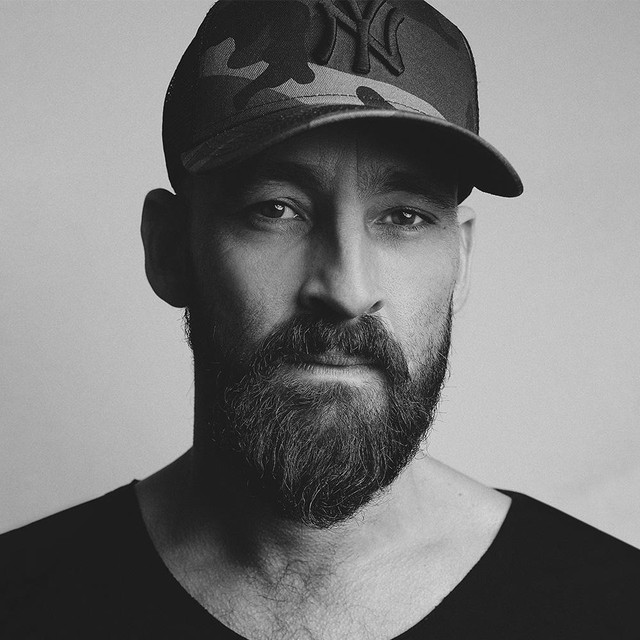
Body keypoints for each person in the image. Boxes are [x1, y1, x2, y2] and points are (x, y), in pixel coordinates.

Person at [1, 0, 638, 638]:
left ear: (461, 260)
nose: (346, 290)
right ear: (170, 250)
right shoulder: (21, 601)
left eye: (405, 216)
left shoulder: (613, 608)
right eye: (276, 209)